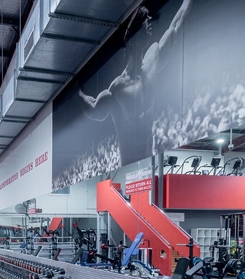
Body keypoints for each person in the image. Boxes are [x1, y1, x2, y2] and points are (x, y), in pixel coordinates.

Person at [78, 0, 192, 167]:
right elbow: (94, 110)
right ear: (133, 36)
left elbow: (175, 26)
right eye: (145, 18)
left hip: (149, 166)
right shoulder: (117, 88)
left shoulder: (152, 61)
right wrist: (77, 92)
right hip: (128, 170)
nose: (150, 20)